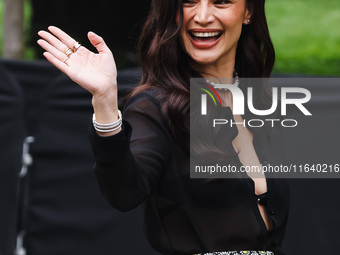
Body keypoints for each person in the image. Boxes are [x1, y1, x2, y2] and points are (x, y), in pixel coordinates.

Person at [37, 0, 289, 254]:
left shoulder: (260, 103)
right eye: (189, 2)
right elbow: (125, 192)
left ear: (248, 11)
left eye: (220, 2)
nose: (202, 16)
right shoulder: (157, 106)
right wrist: (105, 104)